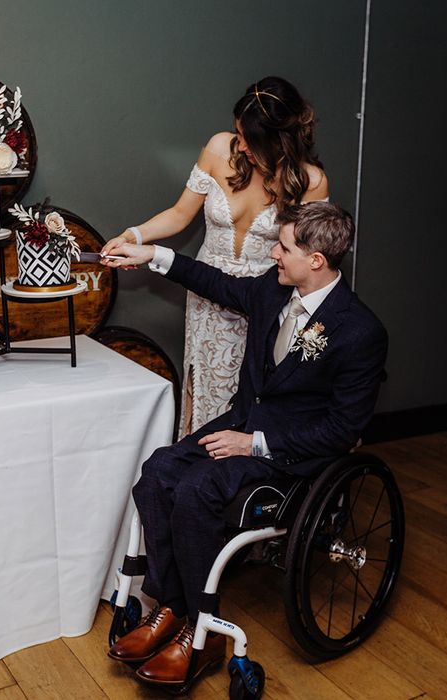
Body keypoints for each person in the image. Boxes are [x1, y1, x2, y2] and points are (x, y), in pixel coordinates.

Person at [102, 202, 387, 687]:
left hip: (290, 455)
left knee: (194, 490)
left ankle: (203, 629)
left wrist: (253, 443)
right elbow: (215, 282)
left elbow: (342, 430)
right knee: (157, 472)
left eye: (285, 246)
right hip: (239, 424)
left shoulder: (360, 331)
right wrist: (151, 254)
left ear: (316, 259)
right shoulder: (274, 291)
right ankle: (172, 608)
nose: (273, 253)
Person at [102, 76, 329, 438]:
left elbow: (305, 256)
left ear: (276, 141)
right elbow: (180, 214)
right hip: (206, 291)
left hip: (262, 300)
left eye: (249, 139)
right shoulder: (220, 148)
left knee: (250, 392)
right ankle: (196, 471)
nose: (239, 144)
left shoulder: (310, 181)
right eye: (238, 132)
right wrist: (133, 235)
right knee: (205, 387)